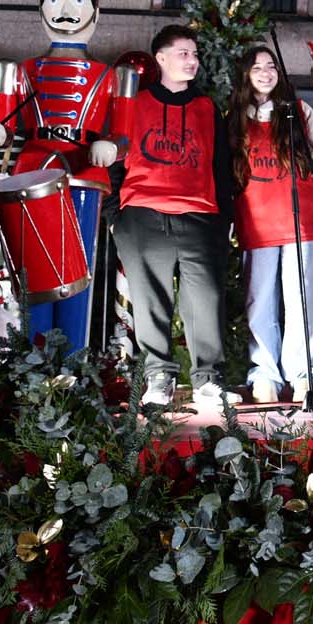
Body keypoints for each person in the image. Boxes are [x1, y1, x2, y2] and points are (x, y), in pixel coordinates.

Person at [0, 0, 133, 352]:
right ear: (40, 3)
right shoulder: (17, 70)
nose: (65, 10)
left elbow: (124, 137)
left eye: (78, 0)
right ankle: (35, 370)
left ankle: (75, 371)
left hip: (83, 176)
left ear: (95, 10)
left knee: (76, 274)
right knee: (34, 277)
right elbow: (3, 127)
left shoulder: (114, 77)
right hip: (32, 176)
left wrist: (110, 145)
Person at [114, 24, 237, 411]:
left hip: (198, 214)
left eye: (195, 54)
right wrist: (113, 215)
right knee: (150, 300)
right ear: (161, 58)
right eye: (183, 53)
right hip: (142, 212)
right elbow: (115, 157)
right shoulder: (134, 102)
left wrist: (224, 218)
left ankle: (208, 380)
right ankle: (159, 378)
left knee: (206, 298)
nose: (192, 60)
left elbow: (220, 166)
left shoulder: (206, 107)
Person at [229, 45, 313, 407]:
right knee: (259, 301)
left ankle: (305, 375)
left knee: (302, 300)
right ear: (245, 74)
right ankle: (264, 373)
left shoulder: (299, 113)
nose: (266, 73)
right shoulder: (236, 117)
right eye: (257, 67)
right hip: (256, 219)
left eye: (272, 66)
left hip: (301, 219)